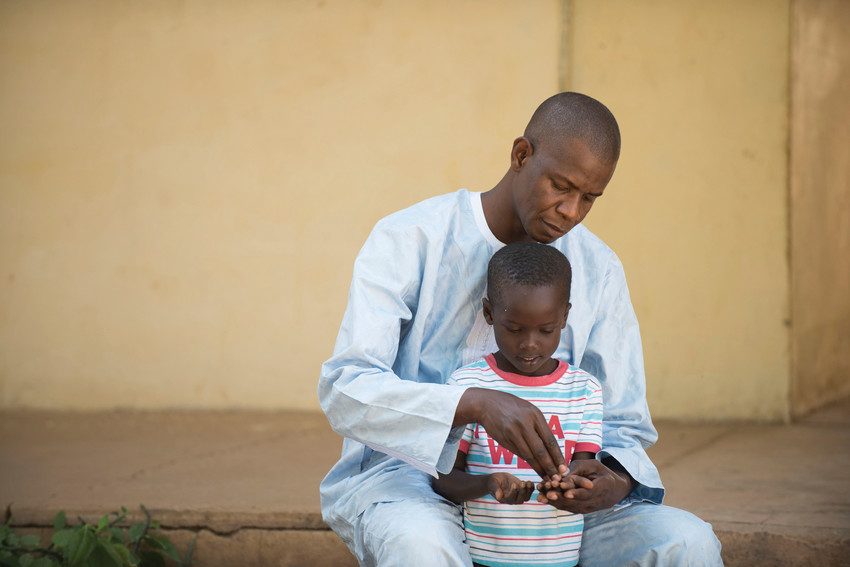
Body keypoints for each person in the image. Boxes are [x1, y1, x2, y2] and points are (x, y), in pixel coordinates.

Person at [318, 92, 722, 566]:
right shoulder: (410, 240)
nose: (571, 210)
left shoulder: (598, 270)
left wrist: (613, 479)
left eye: (589, 198)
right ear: (520, 155)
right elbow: (346, 388)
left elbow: (623, 424)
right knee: (419, 544)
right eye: (560, 186)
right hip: (411, 483)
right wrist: (473, 404)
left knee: (686, 542)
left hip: (551, 514)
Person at [433, 242, 603, 567]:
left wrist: (569, 485)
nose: (529, 343)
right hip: (482, 558)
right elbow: (444, 480)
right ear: (489, 313)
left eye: (546, 330)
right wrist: (487, 483)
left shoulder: (584, 391)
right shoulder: (468, 389)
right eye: (514, 328)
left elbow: (586, 472)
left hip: (561, 560)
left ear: (565, 316)